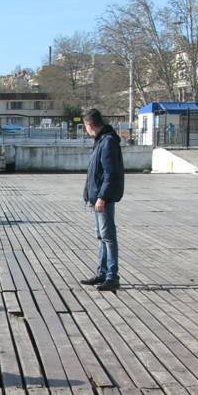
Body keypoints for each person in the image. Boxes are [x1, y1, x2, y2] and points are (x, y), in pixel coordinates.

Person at [81, 108, 124, 292]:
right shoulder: (100, 141)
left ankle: (112, 276)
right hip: (97, 197)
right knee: (101, 236)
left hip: (103, 198)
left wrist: (102, 197)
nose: (86, 130)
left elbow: (110, 173)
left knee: (108, 236)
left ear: (90, 125)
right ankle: (102, 271)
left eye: (85, 127)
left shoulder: (107, 142)